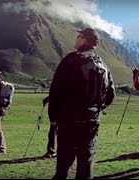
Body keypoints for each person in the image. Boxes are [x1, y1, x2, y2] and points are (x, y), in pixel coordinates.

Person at [49, 27, 115, 179]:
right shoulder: (103, 65)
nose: (76, 39)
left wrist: (54, 117)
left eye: (78, 36)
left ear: (84, 39)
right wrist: (98, 108)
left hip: (69, 119)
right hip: (92, 120)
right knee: (86, 161)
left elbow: (56, 90)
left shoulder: (70, 60)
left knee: (64, 161)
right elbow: (111, 94)